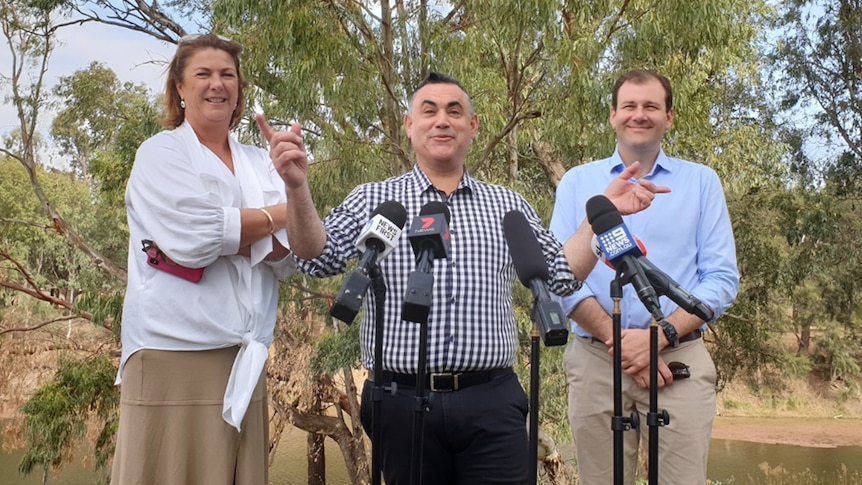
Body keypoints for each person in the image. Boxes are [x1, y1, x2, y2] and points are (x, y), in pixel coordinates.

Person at [261, 71, 667, 484]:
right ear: (409, 125)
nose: (442, 121)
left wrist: (599, 219)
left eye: (455, 112)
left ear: (472, 126)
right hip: (399, 401)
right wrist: (297, 188)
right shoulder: (374, 199)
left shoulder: (507, 205)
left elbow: (561, 276)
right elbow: (317, 257)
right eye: (429, 110)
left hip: (492, 402)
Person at [111, 33, 296, 485]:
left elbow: (287, 255)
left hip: (244, 358)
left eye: (227, 75)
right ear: (179, 86)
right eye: (203, 74)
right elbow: (195, 237)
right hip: (171, 353)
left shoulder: (259, 161)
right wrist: (281, 212)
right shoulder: (161, 153)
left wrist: (255, 225)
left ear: (239, 89)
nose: (217, 84)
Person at [549, 69, 740, 485]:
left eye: (651, 106)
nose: (640, 114)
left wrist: (659, 335)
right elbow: (559, 277)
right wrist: (621, 343)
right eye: (630, 106)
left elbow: (722, 279)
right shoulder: (577, 182)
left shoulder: (702, 182)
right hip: (597, 361)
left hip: (679, 360)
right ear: (613, 115)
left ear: (669, 117)